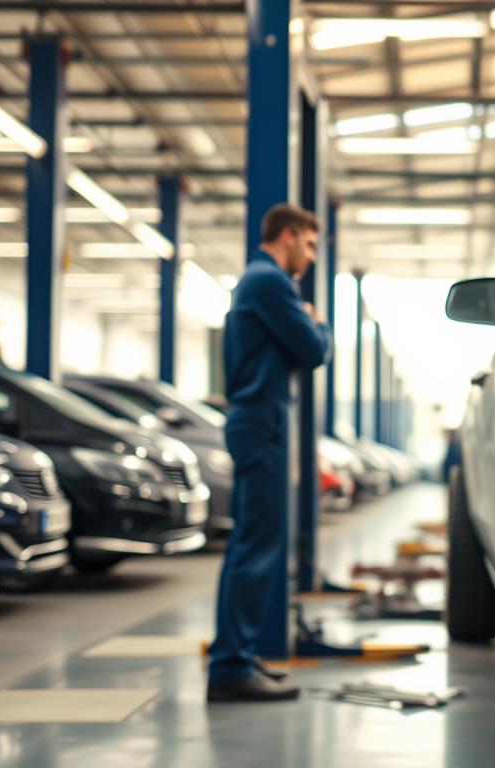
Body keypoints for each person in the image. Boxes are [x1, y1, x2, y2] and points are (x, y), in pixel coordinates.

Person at [207, 204, 331, 702]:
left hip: (258, 422)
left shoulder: (258, 282)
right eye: (310, 244)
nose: (312, 256)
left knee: (254, 543)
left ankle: (237, 655)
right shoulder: (269, 281)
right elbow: (314, 350)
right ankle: (231, 667)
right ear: (289, 233)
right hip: (261, 424)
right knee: (256, 545)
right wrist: (315, 322)